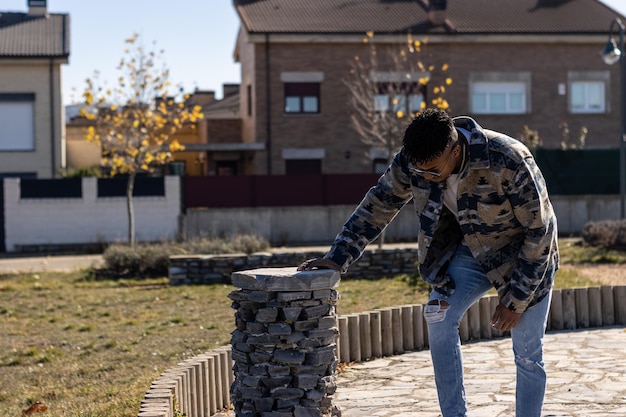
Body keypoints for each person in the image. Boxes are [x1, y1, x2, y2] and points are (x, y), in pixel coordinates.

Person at [298, 108, 559, 417]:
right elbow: (378, 205)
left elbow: (541, 232)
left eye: (434, 170)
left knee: (528, 354)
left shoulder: (509, 158)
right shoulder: (414, 161)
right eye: (421, 171)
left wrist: (515, 301)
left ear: (456, 150)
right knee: (438, 317)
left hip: (526, 259)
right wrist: (338, 257)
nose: (426, 177)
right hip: (471, 252)